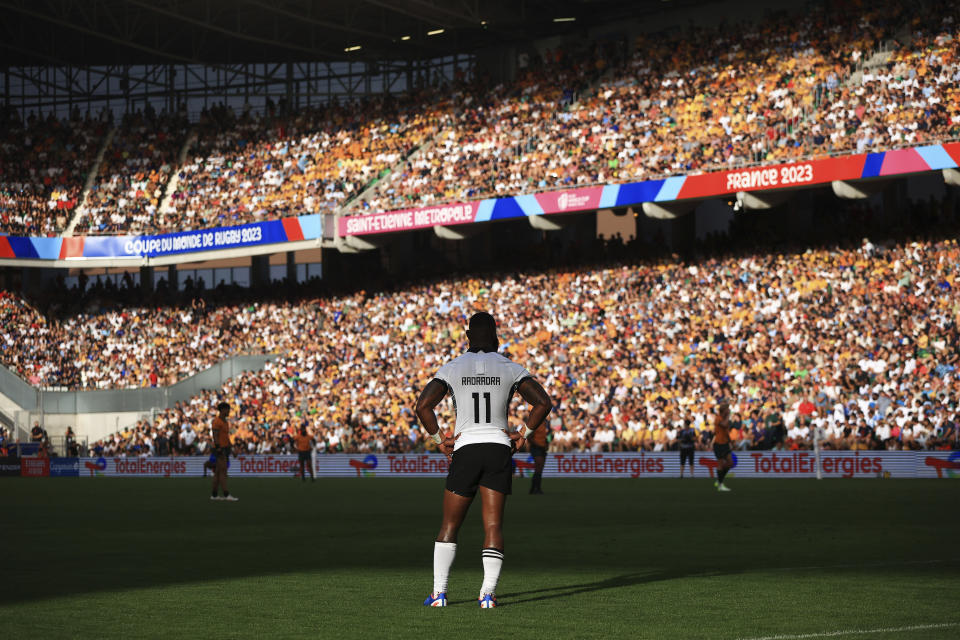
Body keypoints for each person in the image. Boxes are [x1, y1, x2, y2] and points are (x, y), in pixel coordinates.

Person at [415, 312, 553, 609]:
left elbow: (423, 406)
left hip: (465, 447)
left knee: (449, 526)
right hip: (498, 447)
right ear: (494, 334)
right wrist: (524, 433)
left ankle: (440, 594)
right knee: (493, 526)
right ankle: (487, 595)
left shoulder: (452, 368)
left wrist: (440, 440)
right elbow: (543, 403)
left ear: (467, 335)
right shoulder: (510, 367)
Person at [210, 402, 237, 502]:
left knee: (218, 472)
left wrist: (232, 449)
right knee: (223, 471)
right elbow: (215, 436)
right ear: (222, 410)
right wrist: (218, 448)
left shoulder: (225, 422)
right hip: (220, 448)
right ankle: (226, 494)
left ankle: (214, 494)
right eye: (227, 409)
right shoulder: (217, 421)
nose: (229, 411)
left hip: (225, 447)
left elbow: (226, 437)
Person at [713, 401, 734, 492]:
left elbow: (726, 431)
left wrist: (730, 442)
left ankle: (719, 479)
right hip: (718, 444)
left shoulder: (724, 419)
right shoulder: (718, 418)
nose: (729, 410)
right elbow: (724, 425)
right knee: (721, 464)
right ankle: (720, 485)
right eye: (727, 409)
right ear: (724, 410)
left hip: (725, 443)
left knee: (730, 463)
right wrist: (728, 416)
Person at [528, 422, 548, 494]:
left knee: (539, 469)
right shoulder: (536, 424)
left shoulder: (544, 424)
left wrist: (546, 443)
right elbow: (529, 437)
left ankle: (533, 489)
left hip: (542, 448)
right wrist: (538, 445)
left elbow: (543, 436)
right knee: (538, 468)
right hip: (536, 448)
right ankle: (537, 489)